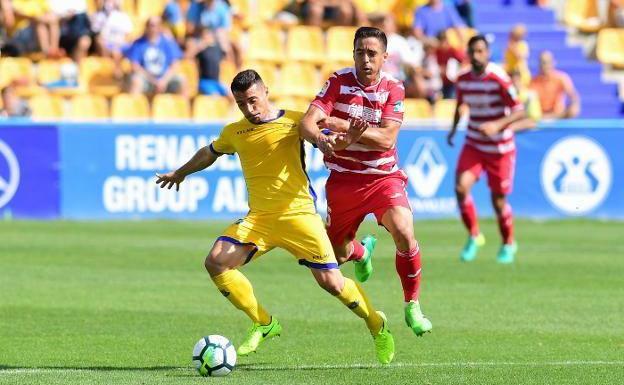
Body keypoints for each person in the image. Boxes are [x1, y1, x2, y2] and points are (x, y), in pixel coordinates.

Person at [155, 69, 395, 364]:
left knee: (332, 283)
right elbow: (210, 152)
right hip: (260, 219)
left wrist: (348, 139)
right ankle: (264, 322)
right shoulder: (234, 131)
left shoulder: (296, 121)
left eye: (253, 100)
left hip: (299, 215)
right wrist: (180, 173)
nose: (249, 108)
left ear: (265, 90)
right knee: (216, 261)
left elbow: (330, 143)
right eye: (241, 103)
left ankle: (376, 324)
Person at [301, 27, 433, 336]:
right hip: (344, 181)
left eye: (372, 53)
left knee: (403, 229)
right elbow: (307, 122)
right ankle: (362, 252)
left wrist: (344, 126)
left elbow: (386, 139)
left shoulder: (394, 88)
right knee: (336, 256)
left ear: (385, 57)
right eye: (360, 52)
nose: (365, 59)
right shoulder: (337, 82)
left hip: (382, 178)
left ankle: (412, 304)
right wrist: (322, 139)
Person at [447, 35, 527, 264]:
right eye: (473, 52)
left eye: (481, 51)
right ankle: (474, 235)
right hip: (474, 143)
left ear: (488, 53)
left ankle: (508, 243)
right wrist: (453, 130)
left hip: (500, 148)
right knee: (461, 188)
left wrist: (497, 125)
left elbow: (520, 111)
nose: (477, 56)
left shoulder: (499, 78)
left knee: (498, 202)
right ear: (468, 54)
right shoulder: (462, 79)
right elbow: (459, 105)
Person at [125, 16, 187, 96]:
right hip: (147, 79)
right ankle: (135, 107)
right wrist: (154, 81)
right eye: (151, 25)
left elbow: (175, 65)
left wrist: (163, 81)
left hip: (165, 79)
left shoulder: (168, 43)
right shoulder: (138, 44)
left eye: (156, 25)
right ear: (146, 27)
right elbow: (135, 66)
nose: (153, 28)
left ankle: (181, 106)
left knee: (182, 80)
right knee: (136, 81)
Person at [530, 51, 580, 120]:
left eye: (548, 62)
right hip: (540, 116)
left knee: (571, 111)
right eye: (543, 62)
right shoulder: (533, 82)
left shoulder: (561, 78)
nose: (545, 65)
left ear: (553, 63)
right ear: (539, 64)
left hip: (558, 115)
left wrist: (574, 105)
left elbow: (573, 95)